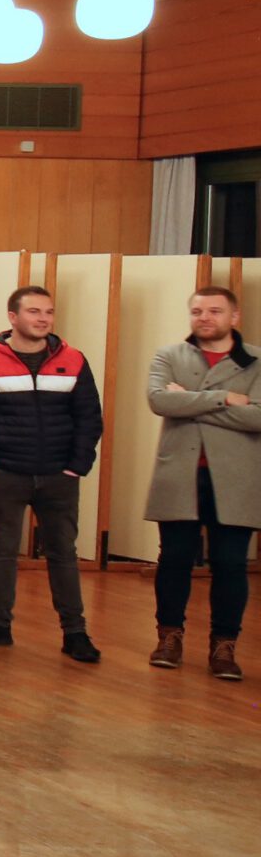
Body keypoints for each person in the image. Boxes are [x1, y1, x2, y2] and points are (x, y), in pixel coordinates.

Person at [0, 285, 104, 661]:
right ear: (13, 317)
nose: (43, 319)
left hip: (59, 475)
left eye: (48, 312)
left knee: (63, 553)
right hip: (5, 474)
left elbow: (89, 417)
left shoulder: (74, 359)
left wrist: (77, 466)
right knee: (2, 551)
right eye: (34, 311)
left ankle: (75, 632)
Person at [147, 286, 260, 681]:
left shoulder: (256, 361)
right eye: (197, 311)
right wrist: (226, 398)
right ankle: (169, 638)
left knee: (230, 563)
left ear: (235, 316)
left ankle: (224, 646)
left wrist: (191, 401)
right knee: (174, 559)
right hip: (180, 474)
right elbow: (160, 401)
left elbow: (258, 417)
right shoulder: (169, 355)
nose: (205, 318)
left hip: (237, 478)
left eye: (214, 311)